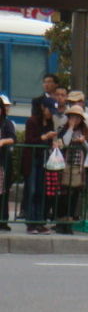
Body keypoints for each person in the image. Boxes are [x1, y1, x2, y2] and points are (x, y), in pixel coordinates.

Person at [54, 105, 88, 234]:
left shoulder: (85, 131)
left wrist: (83, 142)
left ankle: (70, 221)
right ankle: (61, 220)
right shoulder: (63, 129)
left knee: (75, 194)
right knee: (64, 193)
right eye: (72, 117)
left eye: (77, 117)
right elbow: (64, 143)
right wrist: (70, 128)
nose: (74, 119)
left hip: (78, 166)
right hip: (65, 165)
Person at [23, 97, 58, 234]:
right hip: (32, 159)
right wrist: (44, 137)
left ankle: (39, 221)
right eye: (50, 110)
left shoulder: (50, 123)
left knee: (40, 191)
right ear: (43, 107)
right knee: (31, 190)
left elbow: (48, 142)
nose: (50, 113)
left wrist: (53, 142)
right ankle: (30, 222)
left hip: (43, 159)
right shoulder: (32, 121)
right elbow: (29, 140)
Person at [0, 99, 16, 231]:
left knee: (2, 192)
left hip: (2, 162)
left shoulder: (6, 123)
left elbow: (13, 138)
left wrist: (2, 141)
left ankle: (2, 220)